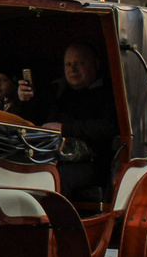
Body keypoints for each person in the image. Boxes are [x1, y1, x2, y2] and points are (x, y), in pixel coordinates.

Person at [19, 43, 119, 199]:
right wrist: (24, 101)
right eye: (68, 64)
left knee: (56, 176)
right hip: (54, 155)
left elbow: (108, 128)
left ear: (96, 64)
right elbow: (34, 121)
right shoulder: (58, 90)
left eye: (80, 63)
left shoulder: (109, 94)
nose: (72, 69)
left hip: (94, 161)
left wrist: (64, 129)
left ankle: (53, 222)